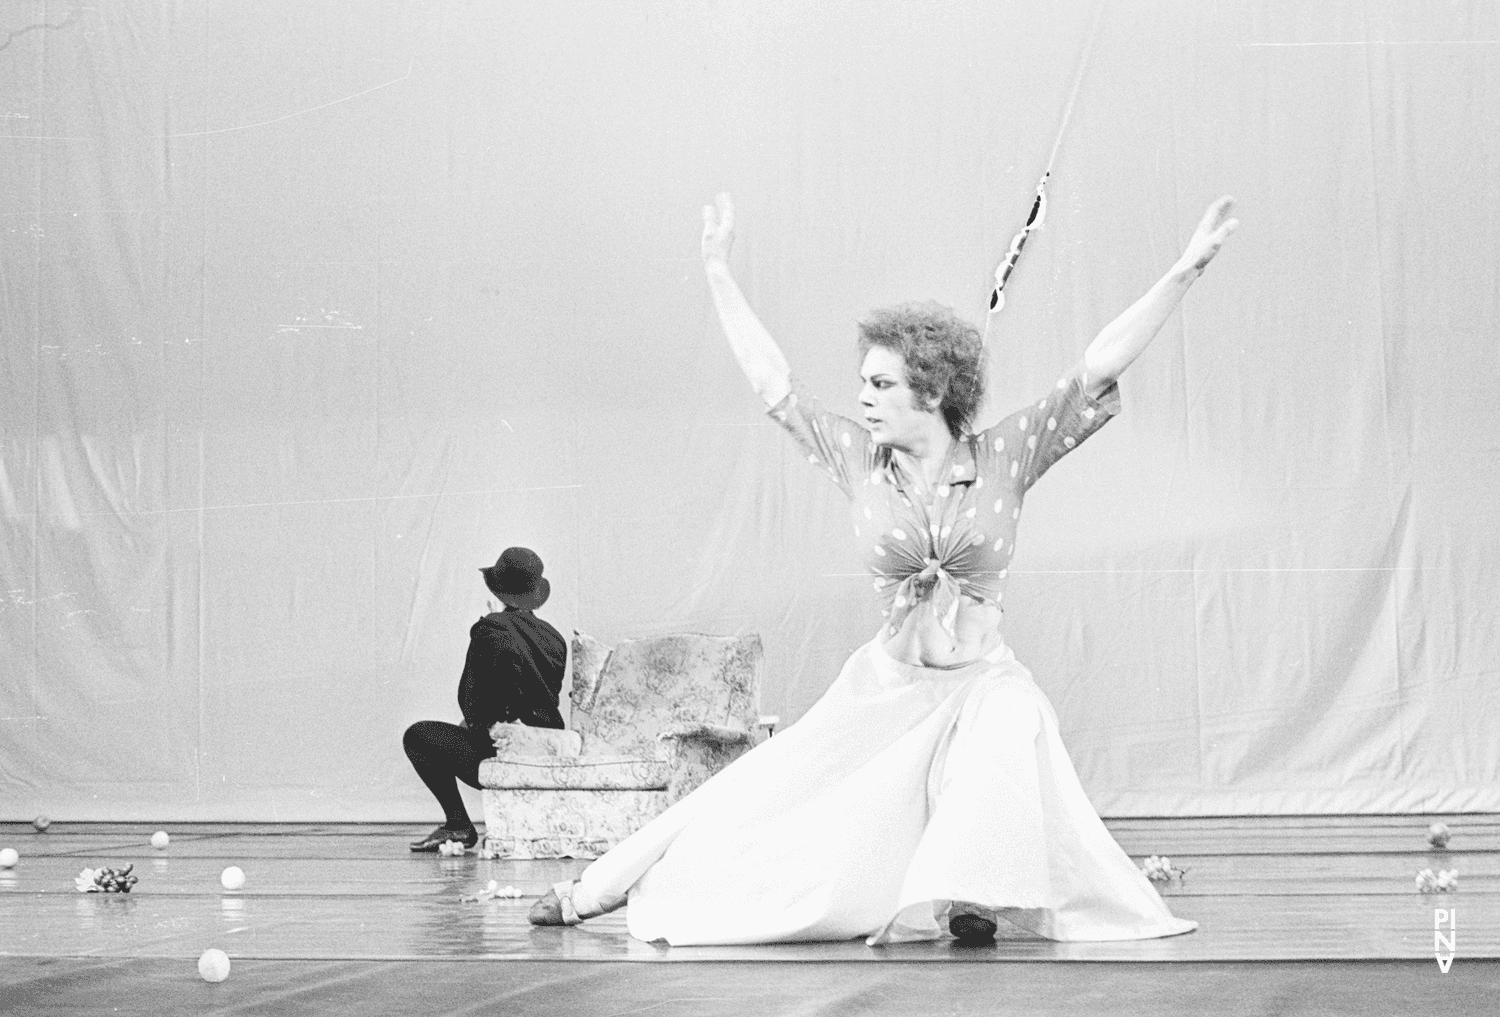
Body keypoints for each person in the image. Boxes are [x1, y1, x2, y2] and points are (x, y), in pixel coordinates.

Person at [529, 192, 1238, 944]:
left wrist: (1185, 270)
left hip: (977, 678)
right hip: (885, 686)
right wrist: (715, 270)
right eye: (863, 382)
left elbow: (1097, 367)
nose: (862, 398)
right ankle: (590, 893)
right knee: (748, 797)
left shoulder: (1004, 457)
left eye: (881, 384)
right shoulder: (856, 460)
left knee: (1012, 717)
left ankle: (971, 895)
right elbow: (775, 385)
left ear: (931, 392)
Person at [404, 546, 567, 851]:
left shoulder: (489, 629)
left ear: (500, 592)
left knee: (418, 735)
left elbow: (473, 702)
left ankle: (458, 825)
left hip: (505, 754)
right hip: (548, 754)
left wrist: (472, 726)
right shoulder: (554, 637)